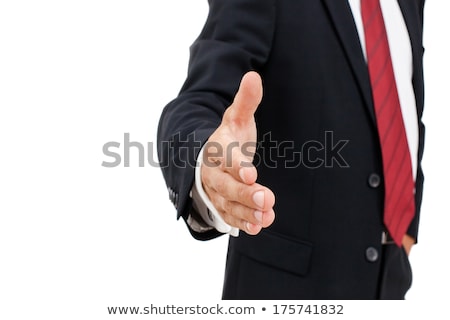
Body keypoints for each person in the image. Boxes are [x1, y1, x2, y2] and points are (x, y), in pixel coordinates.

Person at [157, 0, 426, 299]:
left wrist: (406, 230)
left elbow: (405, 112)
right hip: (286, 291)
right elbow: (198, 100)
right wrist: (207, 160)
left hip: (391, 285)